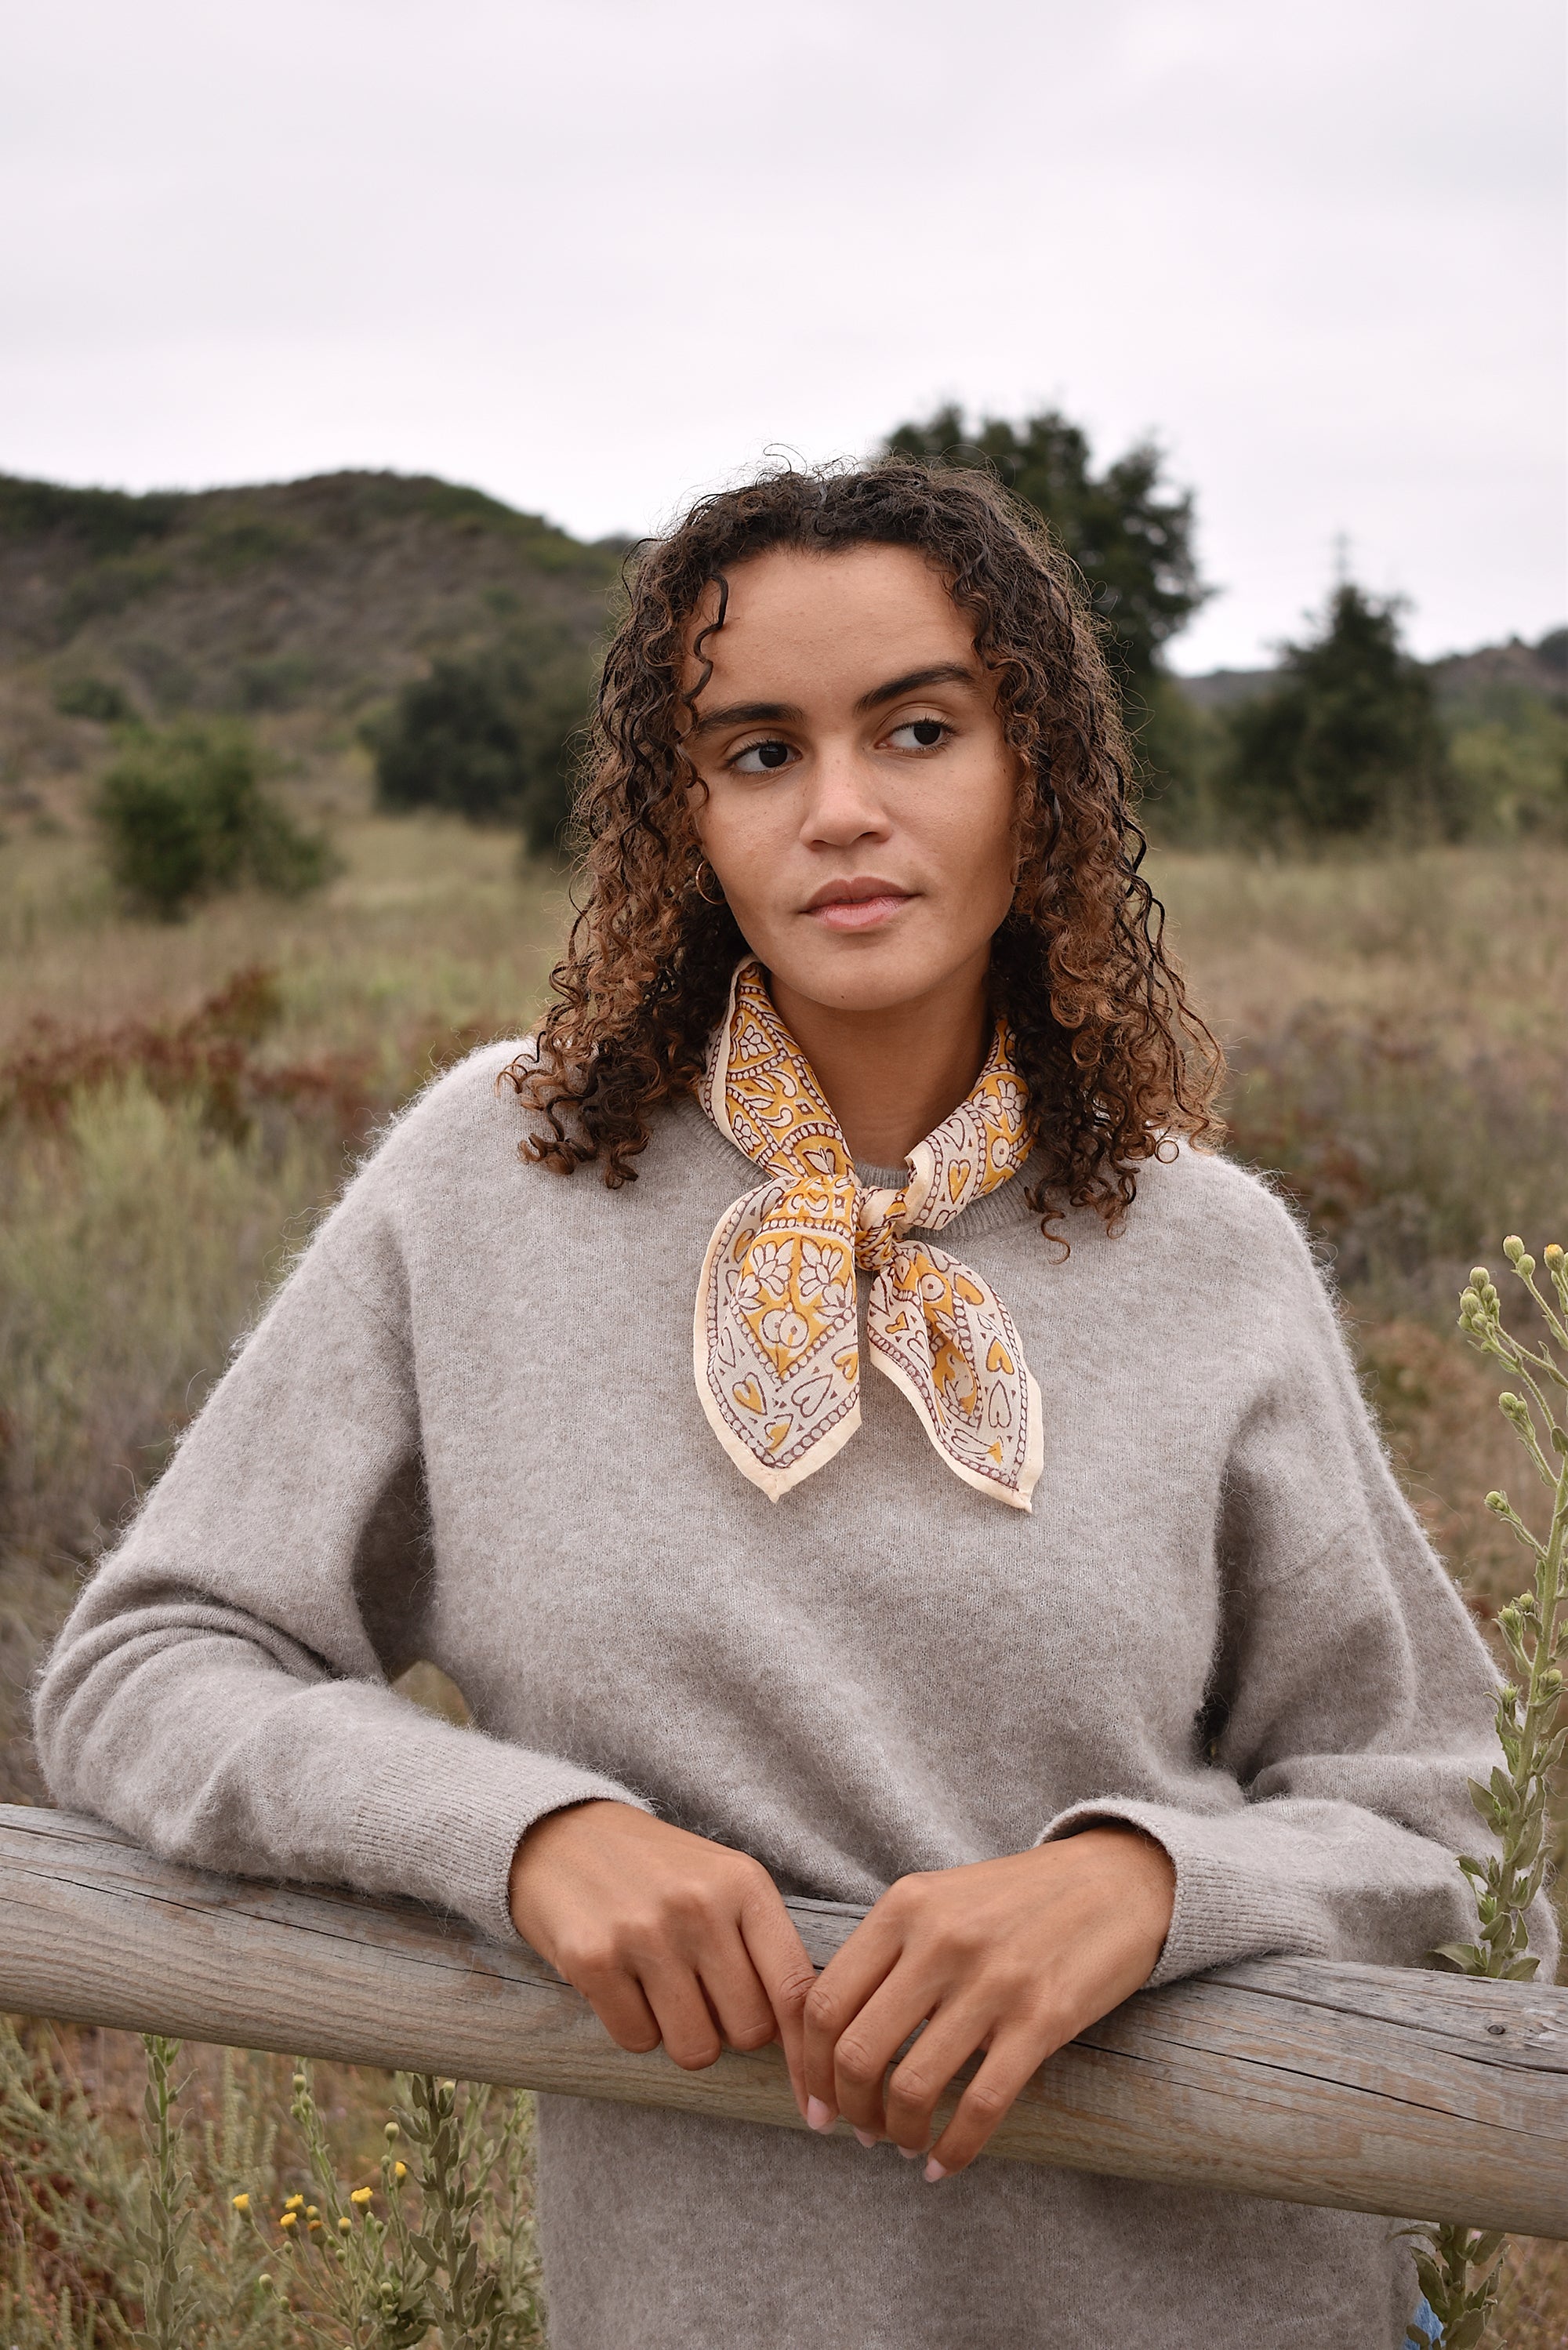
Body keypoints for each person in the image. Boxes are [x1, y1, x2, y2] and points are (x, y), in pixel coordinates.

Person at [35, 463, 1534, 2349]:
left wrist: (1143, 1882)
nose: (842, 812)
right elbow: (146, 1661)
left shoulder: (1203, 1247)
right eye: (757, 751)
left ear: (1034, 777)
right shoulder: (490, 1187)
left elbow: (1452, 1821)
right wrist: (519, 1832)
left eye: (919, 728)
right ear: (688, 816)